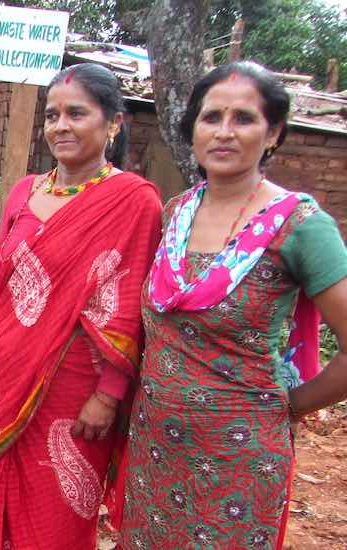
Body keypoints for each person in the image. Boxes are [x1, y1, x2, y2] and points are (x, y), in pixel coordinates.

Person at [120, 61, 347, 549]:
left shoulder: (301, 225)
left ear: (274, 133)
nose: (224, 132)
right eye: (211, 117)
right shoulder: (176, 213)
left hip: (240, 456)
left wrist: (291, 406)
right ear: (193, 131)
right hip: (155, 450)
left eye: (243, 118)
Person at [0, 63, 162, 550]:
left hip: (76, 394)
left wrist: (109, 395)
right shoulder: (25, 192)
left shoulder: (134, 201)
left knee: (56, 518)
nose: (60, 125)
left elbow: (129, 309)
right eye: (52, 115)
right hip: (3, 375)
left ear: (113, 123)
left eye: (76, 113)